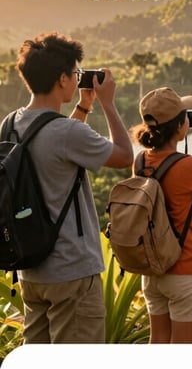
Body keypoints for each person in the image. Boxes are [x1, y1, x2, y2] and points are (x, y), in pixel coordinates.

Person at [12, 32, 134, 343]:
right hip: (71, 271)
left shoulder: (10, 124)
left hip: (32, 268)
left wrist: (84, 108)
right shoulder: (66, 132)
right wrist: (108, 104)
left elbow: (55, 146)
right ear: (64, 79)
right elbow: (124, 156)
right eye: (76, 73)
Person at [130, 87, 192, 343]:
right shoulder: (188, 166)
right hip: (185, 269)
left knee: (159, 344)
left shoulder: (141, 161)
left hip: (154, 271)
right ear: (180, 127)